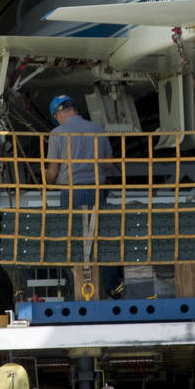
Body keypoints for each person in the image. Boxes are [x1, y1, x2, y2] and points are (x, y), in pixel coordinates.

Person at [45, 95, 113, 280]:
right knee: (100, 239)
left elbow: (52, 172)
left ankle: (78, 282)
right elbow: (108, 163)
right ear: (75, 110)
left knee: (73, 240)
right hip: (97, 190)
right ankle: (105, 283)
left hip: (72, 192)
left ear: (58, 114)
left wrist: (46, 184)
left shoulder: (57, 133)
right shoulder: (97, 129)